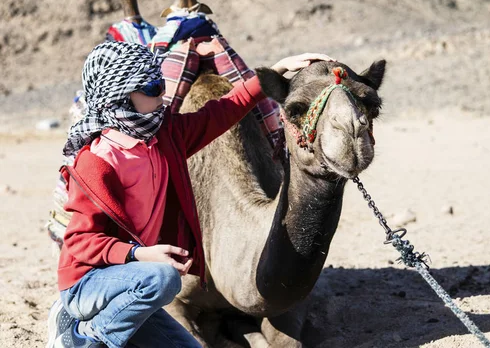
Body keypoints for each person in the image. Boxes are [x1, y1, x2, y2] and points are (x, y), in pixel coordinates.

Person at [46, 41, 333, 348]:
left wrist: (274, 71)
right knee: (163, 279)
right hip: (90, 282)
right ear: (123, 95)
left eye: (161, 83)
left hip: (136, 280)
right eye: (154, 86)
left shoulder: (165, 136)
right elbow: (80, 242)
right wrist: (140, 254)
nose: (162, 94)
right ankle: (81, 337)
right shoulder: (97, 162)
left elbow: (222, 111)